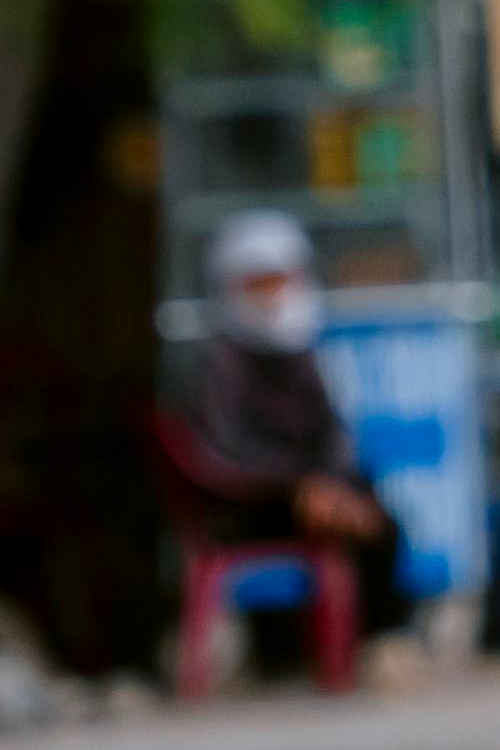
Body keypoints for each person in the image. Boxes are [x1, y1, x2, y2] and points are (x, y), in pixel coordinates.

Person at [167, 209, 392, 556]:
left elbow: (332, 431)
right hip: (252, 502)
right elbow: (228, 449)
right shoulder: (219, 363)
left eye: (281, 280)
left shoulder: (303, 353)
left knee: (380, 521)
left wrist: (330, 482)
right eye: (261, 284)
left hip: (314, 489)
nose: (275, 295)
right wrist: (300, 485)